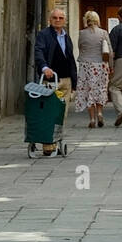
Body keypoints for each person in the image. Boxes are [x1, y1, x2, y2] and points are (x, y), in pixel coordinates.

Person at [33, 8, 77, 154]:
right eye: (55, 18)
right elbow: (38, 51)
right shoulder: (44, 35)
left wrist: (74, 82)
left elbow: (70, 58)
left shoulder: (66, 37)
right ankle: (48, 146)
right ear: (50, 20)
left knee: (62, 114)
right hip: (51, 79)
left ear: (64, 20)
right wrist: (44, 67)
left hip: (66, 80)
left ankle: (57, 141)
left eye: (60, 18)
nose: (58, 20)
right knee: (50, 112)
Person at [75, 10, 112, 128]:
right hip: (101, 65)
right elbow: (109, 51)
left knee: (88, 91)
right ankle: (100, 113)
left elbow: (80, 47)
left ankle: (92, 119)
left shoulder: (82, 33)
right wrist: (111, 66)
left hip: (86, 66)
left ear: (86, 20)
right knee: (100, 89)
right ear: (97, 20)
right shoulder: (103, 33)